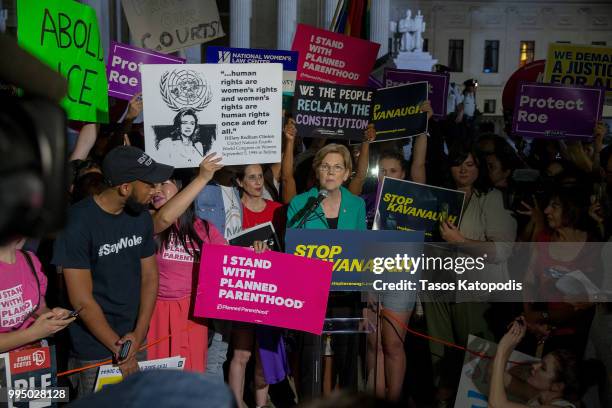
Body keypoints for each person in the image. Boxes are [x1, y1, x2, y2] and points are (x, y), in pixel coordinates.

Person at [52, 146, 173, 397]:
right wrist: (120, 350)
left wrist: (137, 335)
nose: (156, 190)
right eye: (150, 184)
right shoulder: (76, 224)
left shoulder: (138, 216)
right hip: (93, 350)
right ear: (125, 188)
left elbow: (150, 277)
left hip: (134, 340)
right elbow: (81, 300)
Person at [287, 143, 366, 400]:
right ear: (317, 171)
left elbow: (362, 252)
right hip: (310, 293)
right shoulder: (300, 203)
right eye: (325, 166)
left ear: (346, 174)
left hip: (346, 293)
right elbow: (291, 252)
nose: (330, 172)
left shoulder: (356, 205)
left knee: (346, 358)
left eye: (337, 167)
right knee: (309, 356)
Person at [147, 154, 225, 372]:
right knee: (158, 381)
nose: (157, 190)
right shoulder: (147, 222)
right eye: (153, 185)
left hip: (193, 316)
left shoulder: (205, 228)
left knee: (189, 381)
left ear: (182, 186)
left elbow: (232, 263)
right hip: (156, 314)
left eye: (164, 183)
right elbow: (163, 219)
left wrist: (257, 250)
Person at [229, 163, 286, 408]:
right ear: (240, 182)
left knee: (264, 356)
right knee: (241, 353)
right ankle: (236, 403)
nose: (258, 182)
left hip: (271, 290)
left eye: (260, 177)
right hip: (243, 289)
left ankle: (262, 405)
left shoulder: (278, 210)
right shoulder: (232, 211)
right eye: (251, 178)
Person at [490, 317, 600, 408]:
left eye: (543, 368)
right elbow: (494, 373)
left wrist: (502, 350)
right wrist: (513, 342)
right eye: (540, 363)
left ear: (557, 386)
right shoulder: (541, 395)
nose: (534, 366)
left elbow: (497, 404)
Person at [0, 238, 74, 352]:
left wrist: (52, 316)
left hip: (35, 357)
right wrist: (33, 333)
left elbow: (39, 307)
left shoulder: (29, 259)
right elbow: (34, 332)